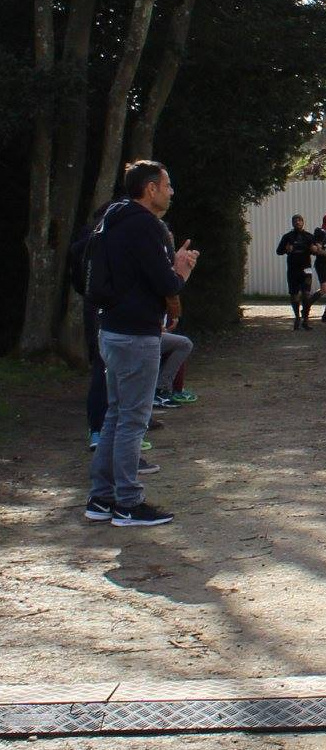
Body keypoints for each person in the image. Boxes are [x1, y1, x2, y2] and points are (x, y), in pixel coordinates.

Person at [86, 160, 198, 527]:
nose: (170, 191)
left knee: (116, 415)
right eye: (167, 185)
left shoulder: (111, 218)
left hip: (111, 329)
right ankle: (128, 503)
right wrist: (181, 268)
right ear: (150, 188)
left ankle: (101, 499)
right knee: (133, 419)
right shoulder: (146, 226)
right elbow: (165, 284)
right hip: (136, 334)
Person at [276, 214, 318, 329]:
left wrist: (314, 250)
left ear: (303, 222)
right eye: (295, 221)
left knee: (306, 294)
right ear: (292, 223)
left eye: (299, 220)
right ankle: (297, 317)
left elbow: (315, 251)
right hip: (293, 270)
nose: (297, 223)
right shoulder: (287, 237)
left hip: (306, 269)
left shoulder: (309, 236)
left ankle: (306, 319)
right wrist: (286, 249)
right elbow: (278, 251)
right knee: (294, 296)